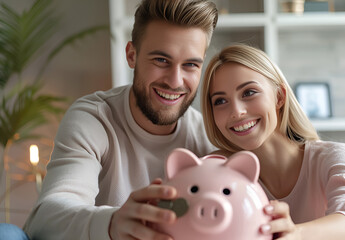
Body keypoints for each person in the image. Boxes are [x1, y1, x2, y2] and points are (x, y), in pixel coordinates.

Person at [22, 0, 218, 239]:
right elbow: (44, 220)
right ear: (132, 55)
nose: (175, 81)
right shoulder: (94, 118)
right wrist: (112, 224)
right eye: (161, 60)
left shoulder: (209, 134)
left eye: (190, 65)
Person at [201, 44, 345, 239]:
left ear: (279, 97)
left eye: (249, 92)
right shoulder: (220, 170)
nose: (236, 112)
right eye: (220, 101)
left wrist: (296, 234)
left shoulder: (332, 157)